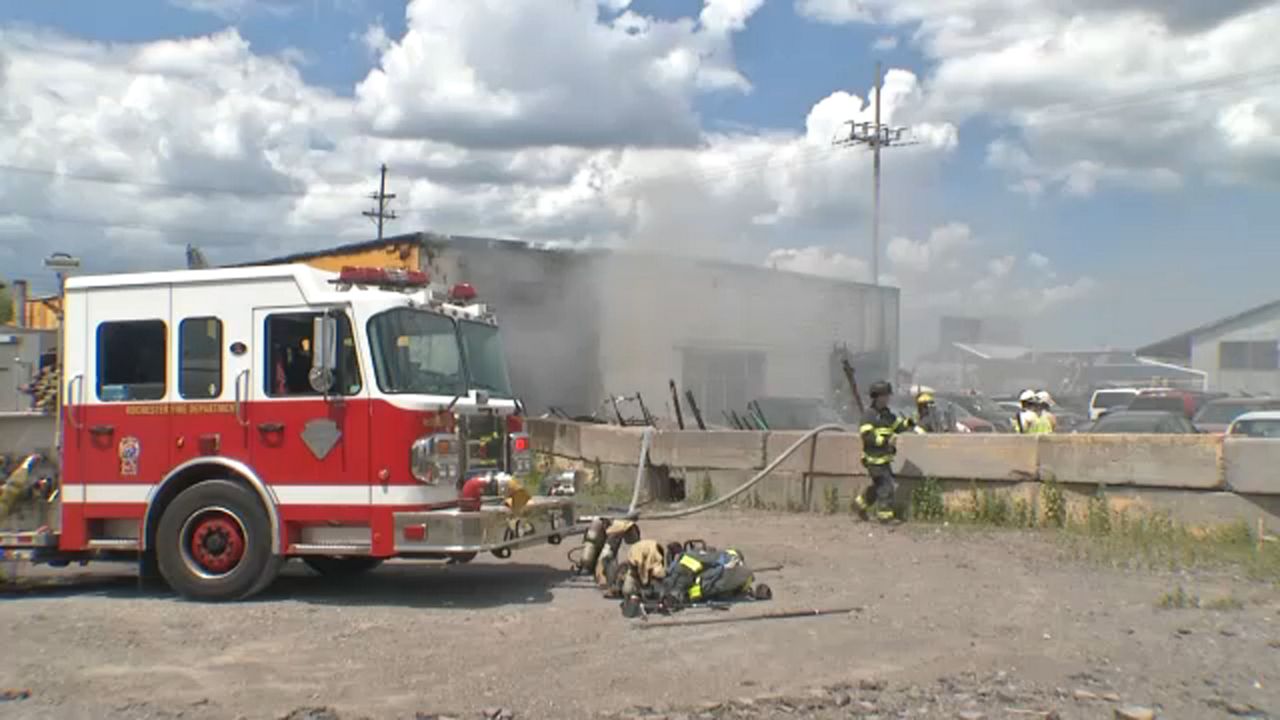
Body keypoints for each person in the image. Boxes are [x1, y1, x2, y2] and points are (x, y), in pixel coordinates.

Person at [854, 381, 915, 522]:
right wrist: (885, 441)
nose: (888, 398)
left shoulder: (886, 414)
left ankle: (859, 504)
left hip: (884, 458)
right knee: (886, 486)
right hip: (874, 460)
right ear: (877, 397)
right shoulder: (869, 415)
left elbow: (897, 425)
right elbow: (867, 436)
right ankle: (885, 516)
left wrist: (909, 423)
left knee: (878, 487)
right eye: (886, 395)